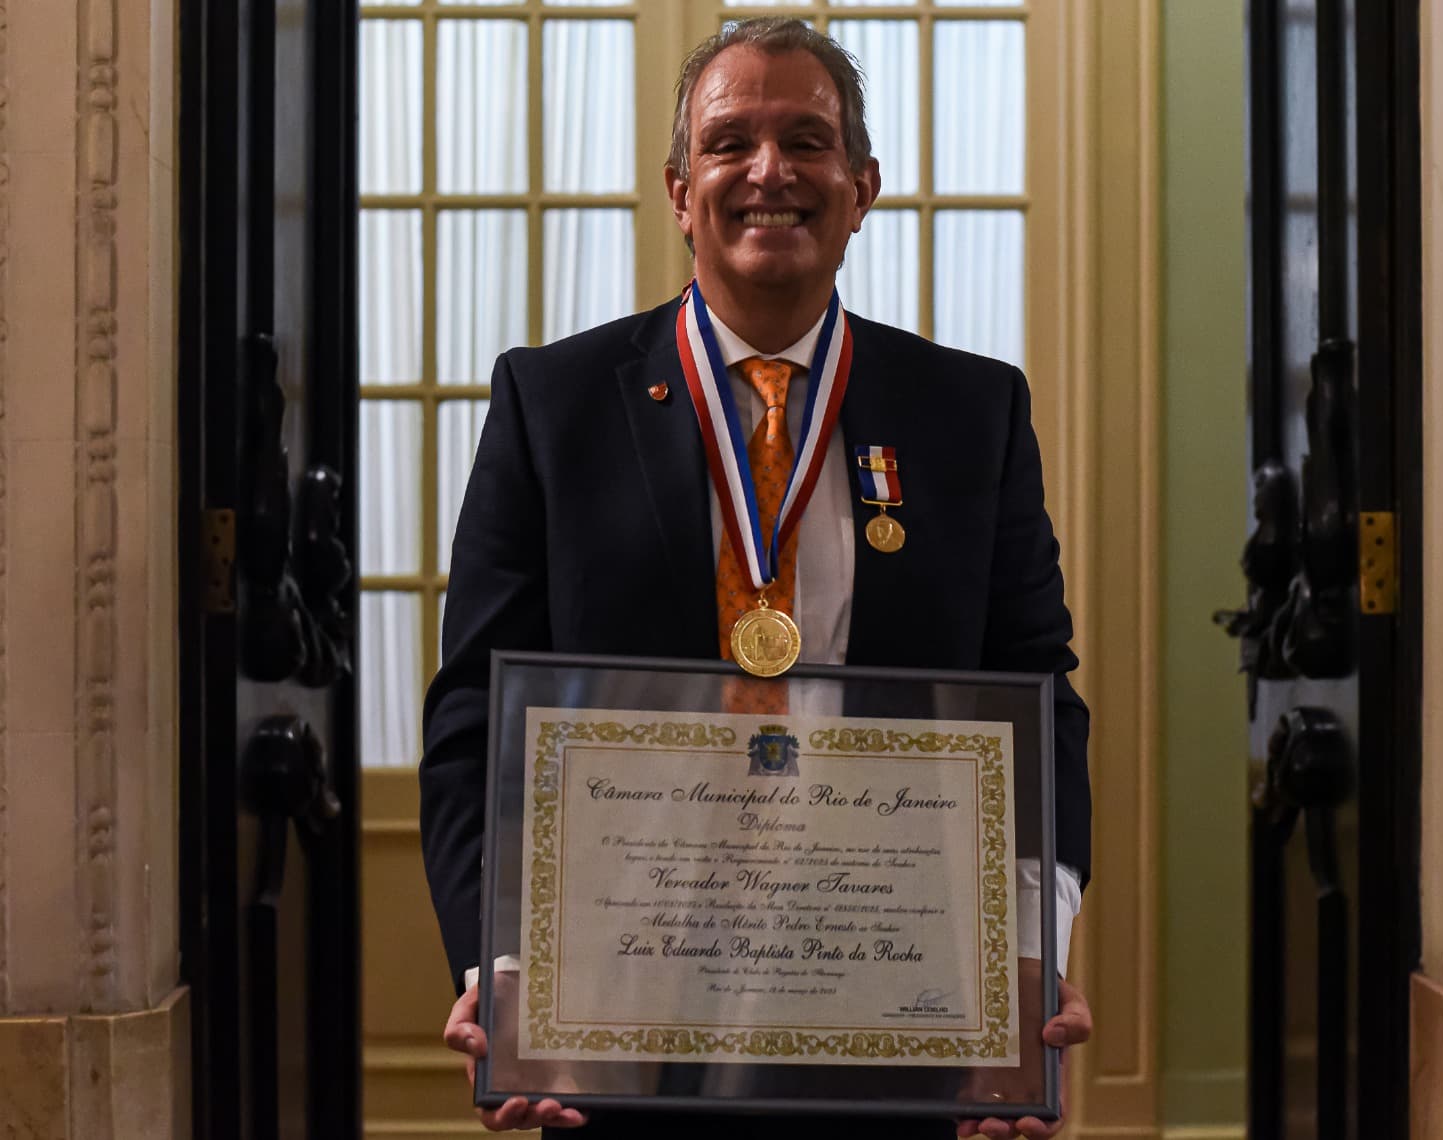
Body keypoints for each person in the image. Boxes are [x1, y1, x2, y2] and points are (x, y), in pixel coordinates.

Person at [419, 17, 1093, 1139]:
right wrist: (507, 964)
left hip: (893, 977)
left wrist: (1021, 960)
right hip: (622, 994)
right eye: (731, 143)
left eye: (807, 140)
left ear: (862, 183)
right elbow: (473, 714)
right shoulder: (555, 405)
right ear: (682, 191)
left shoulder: (971, 413)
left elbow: (1034, 703)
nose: (769, 172)